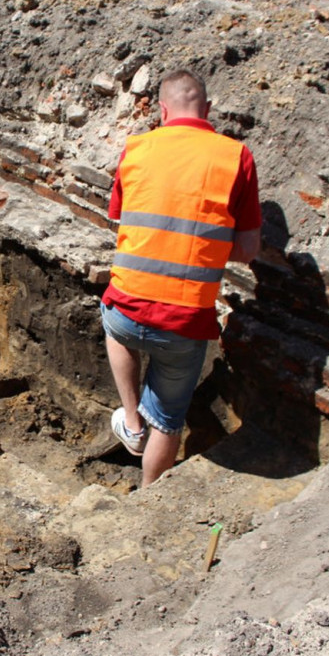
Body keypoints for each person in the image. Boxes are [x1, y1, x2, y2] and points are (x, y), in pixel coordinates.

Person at [100, 68, 261, 486]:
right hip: (184, 323)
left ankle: (132, 423)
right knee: (170, 422)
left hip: (125, 305)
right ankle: (149, 495)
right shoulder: (235, 157)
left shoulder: (136, 147)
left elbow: (120, 215)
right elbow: (246, 249)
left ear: (162, 109)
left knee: (115, 328)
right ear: (207, 110)